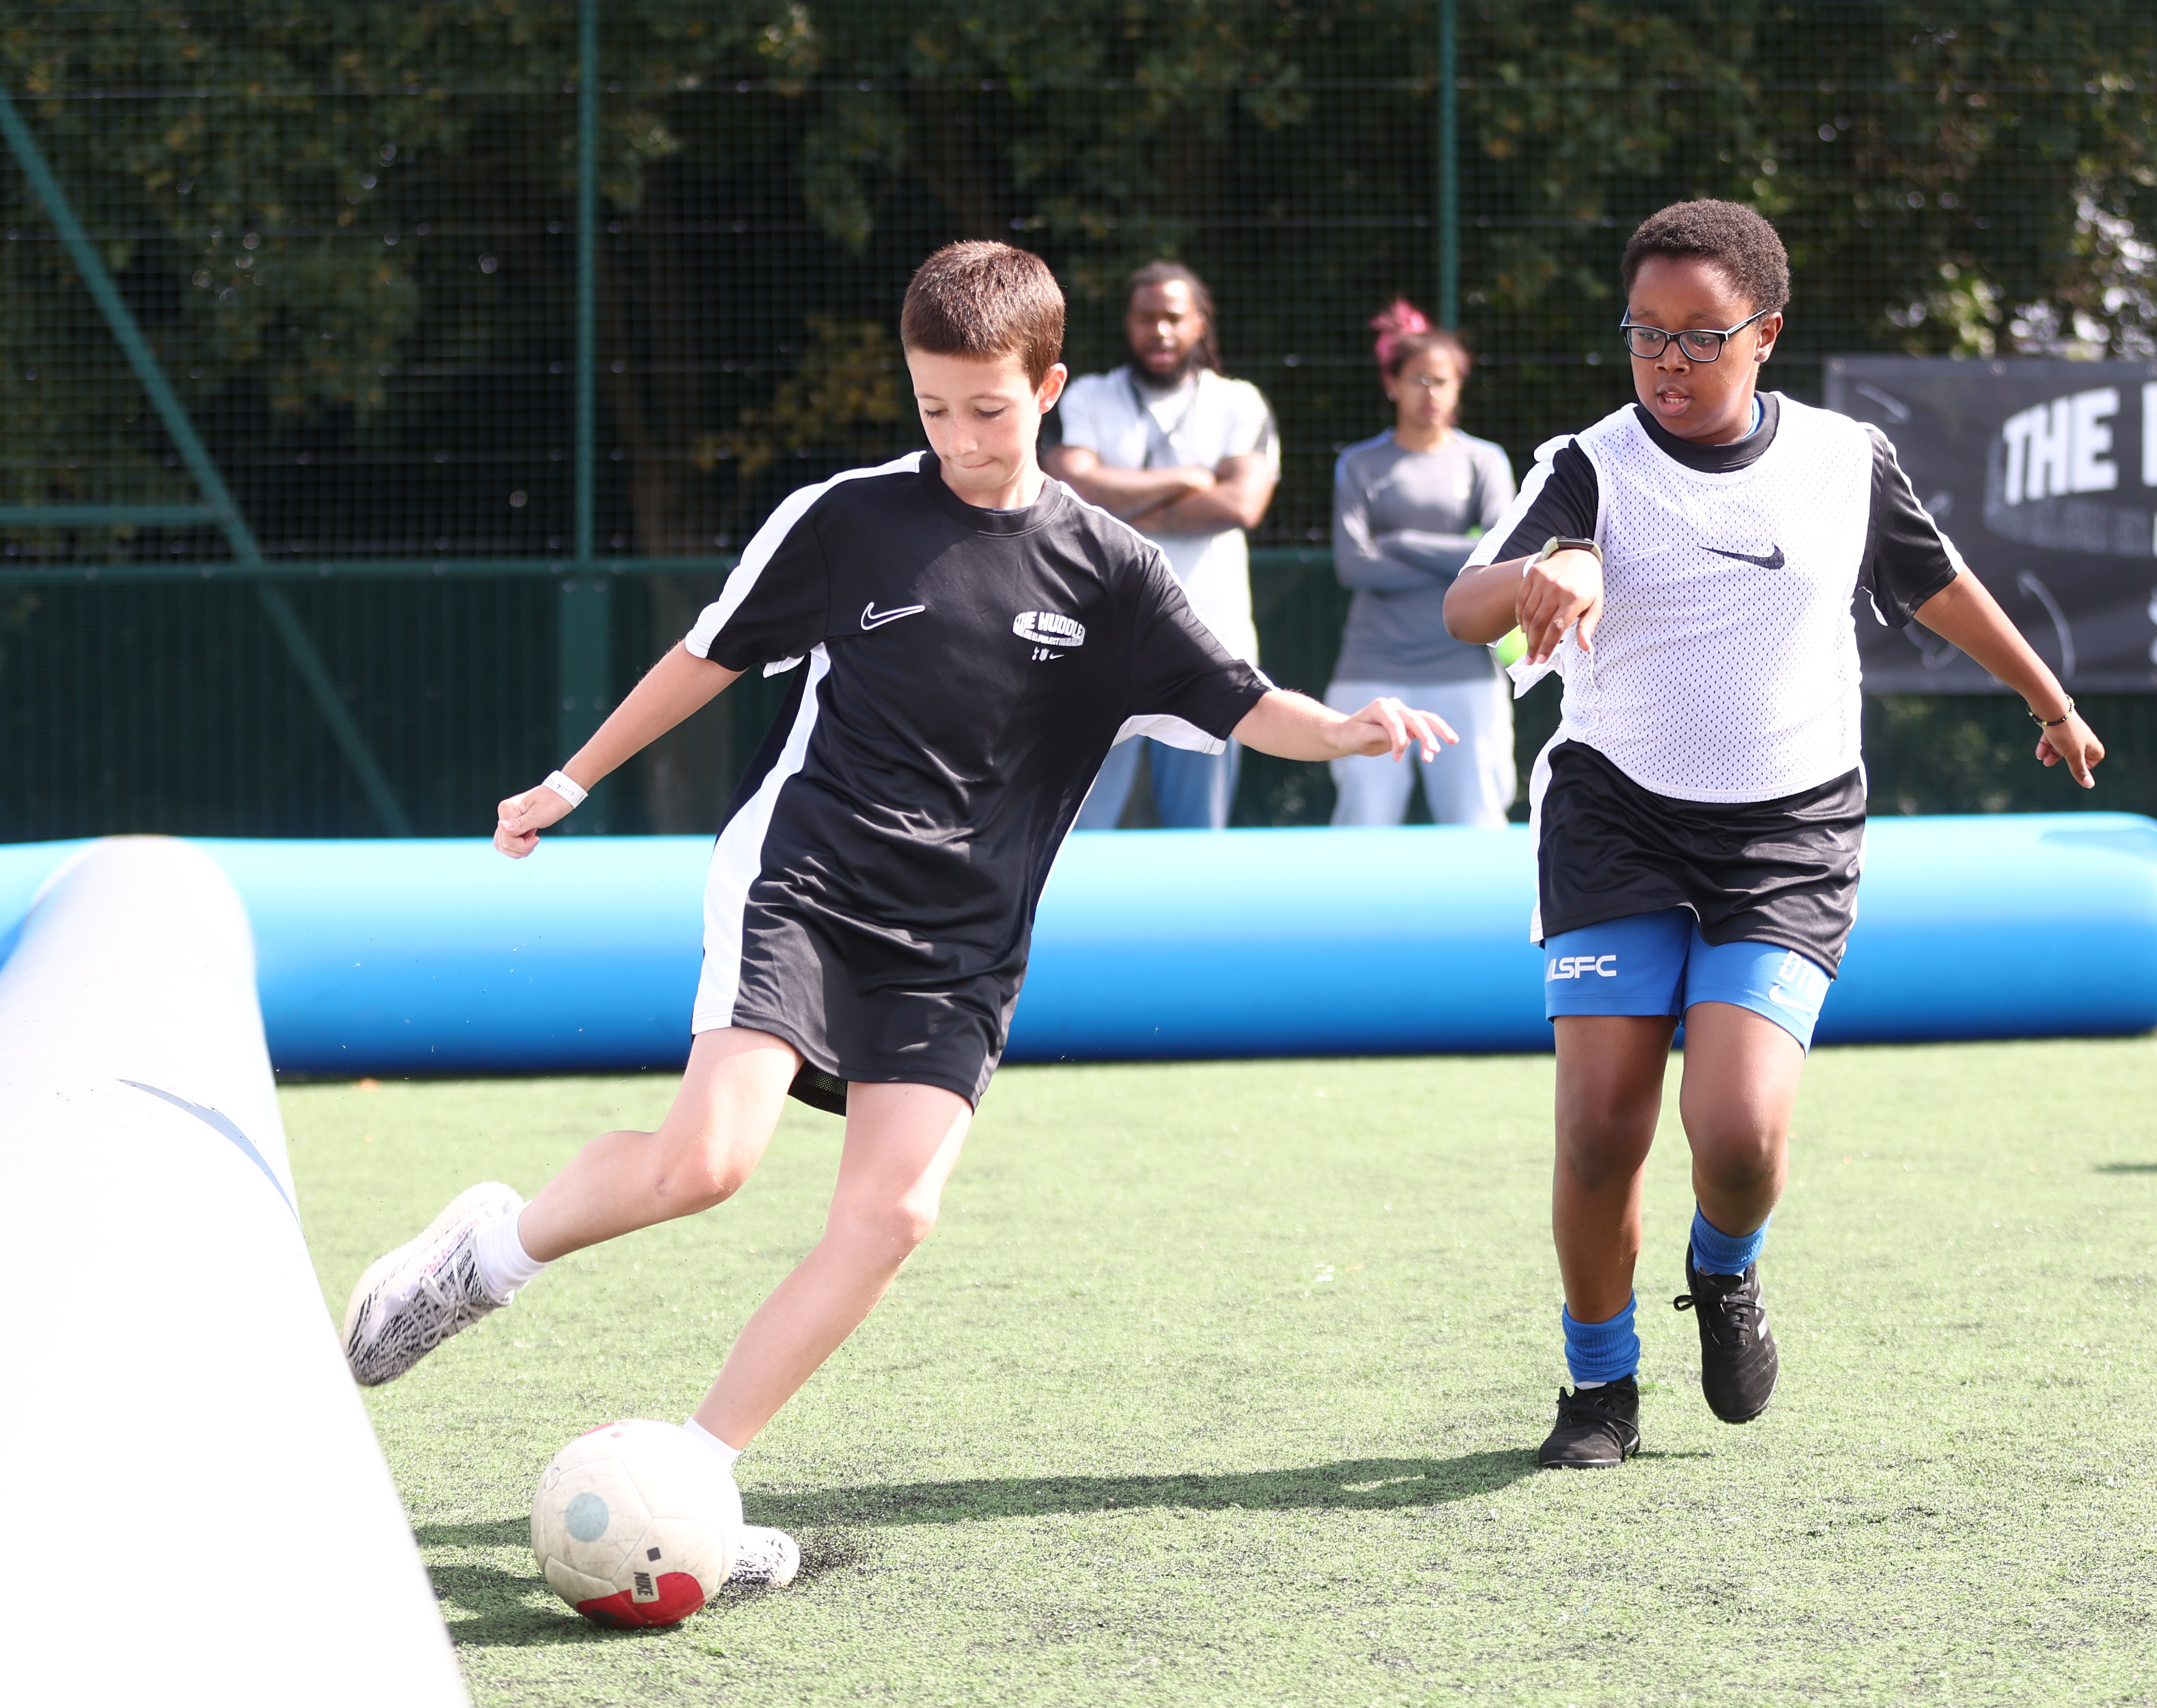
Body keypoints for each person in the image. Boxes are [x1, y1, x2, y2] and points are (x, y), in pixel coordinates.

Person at [338, 242, 1456, 1587]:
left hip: (963, 944)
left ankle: (695, 1477)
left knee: (893, 1217)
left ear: (1050, 387)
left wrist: (1344, 730)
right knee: (708, 1161)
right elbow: (707, 653)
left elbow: (1243, 700)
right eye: (933, 407)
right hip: (808, 883)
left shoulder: (1110, 570)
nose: (960, 437)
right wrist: (568, 782)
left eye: (988, 408)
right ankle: (480, 1257)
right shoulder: (847, 519)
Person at [1441, 200, 2104, 1468]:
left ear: (1765, 333)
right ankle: (1598, 1387)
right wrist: (1547, 570)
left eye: (1700, 335)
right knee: (1599, 1127)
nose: (1668, 361)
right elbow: (1465, 606)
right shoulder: (1587, 465)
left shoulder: (1843, 459)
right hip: (1616, 817)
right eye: (1645, 333)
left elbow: (1936, 581)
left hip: (1787, 832)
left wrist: (2049, 699)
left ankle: (1723, 1263)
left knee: (1738, 1136)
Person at [1046, 261, 1280, 828]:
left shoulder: (1239, 402)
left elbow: (1241, 504)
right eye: (1145, 318)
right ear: (1127, 323)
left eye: (1174, 318)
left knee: (1198, 840)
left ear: (1200, 323)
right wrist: (1189, 478)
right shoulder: (1087, 396)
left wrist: (1117, 501)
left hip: (1210, 650)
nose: (1160, 331)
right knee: (1077, 833)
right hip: (1098, 645)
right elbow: (1070, 487)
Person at [1326, 300, 1519, 825]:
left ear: (1458, 388)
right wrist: (1459, 561)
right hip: (1370, 673)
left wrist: (1403, 541)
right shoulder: (1359, 464)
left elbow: (1500, 558)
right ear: (1391, 384)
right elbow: (1355, 567)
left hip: (1467, 675)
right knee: (1364, 829)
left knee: (1477, 827)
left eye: (1442, 381)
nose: (1431, 393)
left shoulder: (1484, 461)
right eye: (1418, 380)